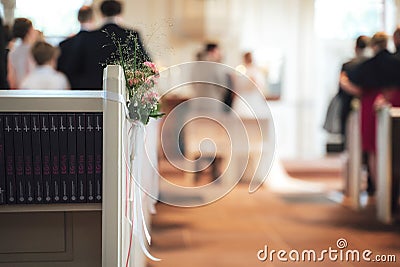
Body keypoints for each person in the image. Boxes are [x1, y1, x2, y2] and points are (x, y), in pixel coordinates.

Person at [342, 32, 400, 195]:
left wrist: (345, 83)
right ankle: (390, 191)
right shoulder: (395, 62)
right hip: (394, 104)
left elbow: (358, 86)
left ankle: (381, 191)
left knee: (374, 150)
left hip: (371, 107)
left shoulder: (367, 66)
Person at [71, 0, 150, 89]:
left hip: (94, 92)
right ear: (120, 13)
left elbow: (76, 68)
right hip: (123, 92)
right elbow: (145, 64)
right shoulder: (132, 35)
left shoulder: (88, 37)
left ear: (101, 14)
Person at [57, 5, 96, 88]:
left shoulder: (64, 44)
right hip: (95, 91)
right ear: (93, 18)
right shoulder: (100, 42)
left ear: (78, 19)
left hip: (72, 91)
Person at [7, 18, 37, 89]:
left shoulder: (13, 52)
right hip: (35, 91)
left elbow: (11, 78)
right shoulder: (35, 50)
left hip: (19, 91)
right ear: (29, 31)